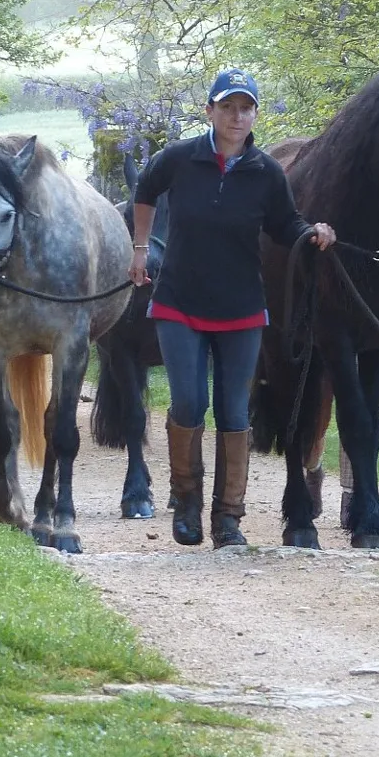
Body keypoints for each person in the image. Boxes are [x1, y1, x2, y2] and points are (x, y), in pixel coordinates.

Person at [130, 69, 335, 547]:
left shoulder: (266, 172)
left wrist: (313, 234)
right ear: (210, 111)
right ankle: (186, 504)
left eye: (246, 108)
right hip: (179, 301)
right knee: (188, 402)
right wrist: (140, 249)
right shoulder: (180, 158)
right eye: (227, 107)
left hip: (242, 308)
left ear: (255, 114)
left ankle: (228, 519)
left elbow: (287, 224)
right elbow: (145, 188)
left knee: (233, 410)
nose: (237, 116)